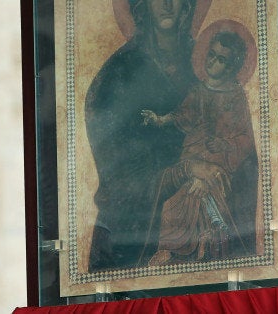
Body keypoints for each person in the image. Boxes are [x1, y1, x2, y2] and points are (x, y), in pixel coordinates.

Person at [85, 0, 199, 271]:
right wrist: (168, 171)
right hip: (135, 217)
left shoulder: (206, 58)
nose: (168, 5)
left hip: (197, 201)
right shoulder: (120, 68)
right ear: (143, 5)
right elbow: (110, 147)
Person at [140, 30, 258, 265]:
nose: (213, 62)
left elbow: (246, 139)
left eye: (221, 59)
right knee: (172, 206)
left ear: (232, 66)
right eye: (211, 55)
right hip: (191, 159)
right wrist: (159, 119)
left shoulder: (236, 97)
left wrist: (224, 144)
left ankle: (193, 244)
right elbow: (181, 116)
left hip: (220, 166)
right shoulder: (198, 91)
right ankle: (177, 248)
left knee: (190, 200)